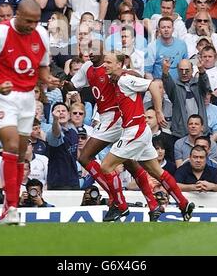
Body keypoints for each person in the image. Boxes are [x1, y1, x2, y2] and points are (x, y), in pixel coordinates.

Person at [0, 0, 61, 224]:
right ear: (17, 15)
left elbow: (42, 68)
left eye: (36, 21)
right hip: (2, 95)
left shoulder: (41, 34)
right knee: (11, 145)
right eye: (28, 21)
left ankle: (7, 208)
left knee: (21, 152)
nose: (33, 26)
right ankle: (13, 207)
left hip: (27, 97)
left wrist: (48, 79)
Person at [70, 40, 164, 220]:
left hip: (115, 118)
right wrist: (65, 87)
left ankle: (116, 200)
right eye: (87, 50)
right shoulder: (87, 68)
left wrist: (125, 72)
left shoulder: (113, 69)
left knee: (85, 157)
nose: (90, 53)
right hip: (106, 118)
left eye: (94, 50)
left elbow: (134, 76)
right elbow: (73, 85)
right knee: (130, 163)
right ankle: (152, 204)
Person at [100, 51, 195, 222]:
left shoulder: (125, 79)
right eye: (104, 61)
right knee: (156, 171)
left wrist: (158, 111)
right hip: (139, 131)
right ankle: (183, 203)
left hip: (134, 131)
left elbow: (153, 85)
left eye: (108, 62)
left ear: (119, 65)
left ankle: (120, 206)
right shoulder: (118, 79)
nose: (105, 65)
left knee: (106, 166)